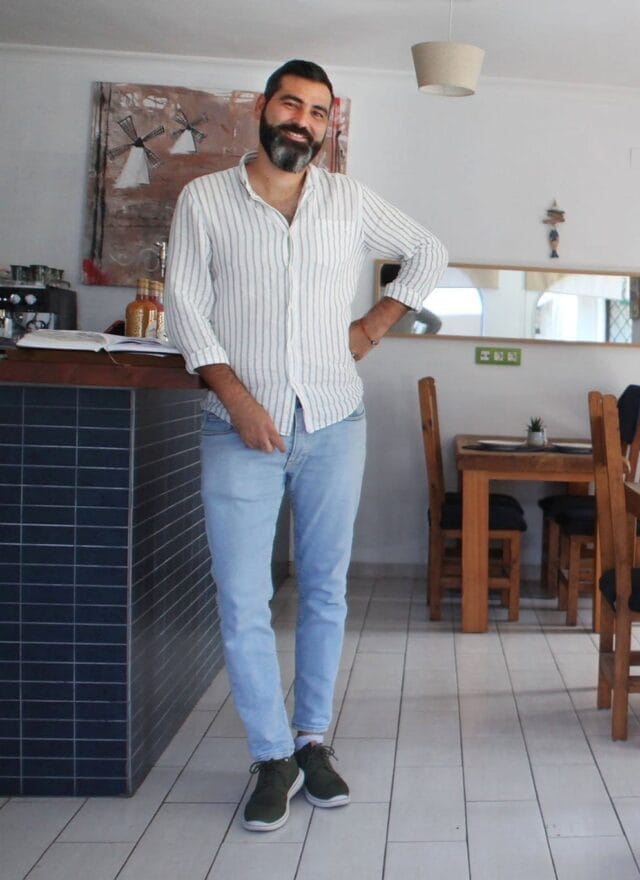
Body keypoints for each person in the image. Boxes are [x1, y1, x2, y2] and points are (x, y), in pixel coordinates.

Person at [165, 59, 446, 832]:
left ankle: (312, 740)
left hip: (333, 423)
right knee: (243, 598)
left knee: (324, 590)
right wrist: (237, 398)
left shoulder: (347, 201)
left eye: (319, 113)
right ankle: (269, 756)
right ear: (264, 109)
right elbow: (186, 308)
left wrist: (370, 328)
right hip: (235, 431)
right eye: (293, 104)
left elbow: (429, 251)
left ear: (328, 127)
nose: (304, 121)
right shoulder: (204, 200)